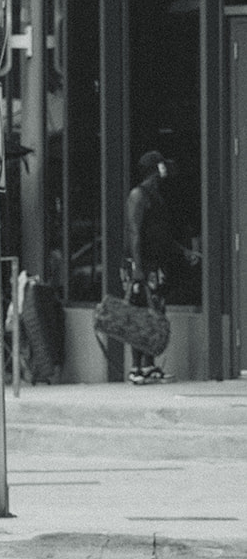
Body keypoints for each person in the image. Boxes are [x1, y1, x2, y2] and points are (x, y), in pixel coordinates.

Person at [124, 150, 197, 385]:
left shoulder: (156, 197)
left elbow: (161, 235)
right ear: (156, 168)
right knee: (140, 315)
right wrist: (137, 267)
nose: (166, 169)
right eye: (163, 165)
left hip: (156, 265)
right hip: (142, 265)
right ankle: (136, 367)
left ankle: (149, 365)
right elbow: (134, 233)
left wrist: (184, 252)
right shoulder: (138, 195)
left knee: (156, 314)